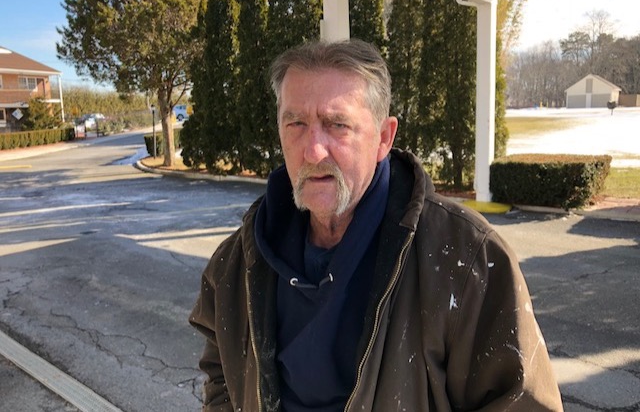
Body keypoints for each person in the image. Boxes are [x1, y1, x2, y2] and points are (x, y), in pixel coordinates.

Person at [189, 39, 563, 411]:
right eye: (296, 123)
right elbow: (221, 372)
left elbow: (523, 402)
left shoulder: (465, 258)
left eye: (337, 124)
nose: (313, 151)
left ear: (384, 138)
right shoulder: (239, 262)